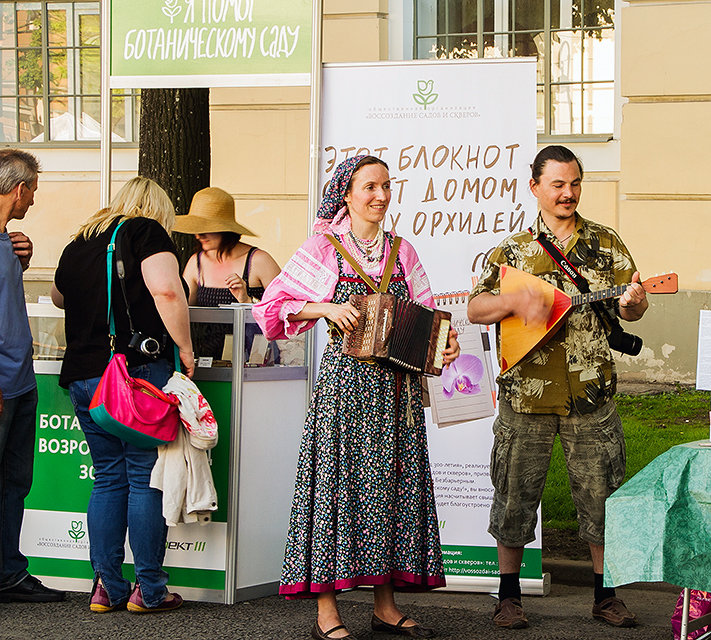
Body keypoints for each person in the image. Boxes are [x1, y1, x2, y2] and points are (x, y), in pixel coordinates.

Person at [253, 155, 460, 640]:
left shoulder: (402, 251)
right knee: (335, 492)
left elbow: (428, 315)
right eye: (370, 187)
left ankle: (385, 606)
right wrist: (326, 306)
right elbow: (271, 309)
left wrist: (445, 342)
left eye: (386, 186)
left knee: (391, 493)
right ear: (346, 194)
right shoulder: (323, 247)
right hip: (345, 390)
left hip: (396, 392)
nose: (381, 196)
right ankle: (327, 611)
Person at [467, 145, 648, 630]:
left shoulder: (606, 243)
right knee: (513, 495)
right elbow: (475, 309)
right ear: (535, 188)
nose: (568, 193)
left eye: (574, 183)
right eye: (557, 184)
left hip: (590, 395)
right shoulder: (512, 251)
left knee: (602, 497)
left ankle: (605, 596)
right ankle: (508, 597)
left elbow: (631, 310)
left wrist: (633, 304)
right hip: (526, 394)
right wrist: (515, 299)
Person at [50, 177, 195, 614]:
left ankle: (105, 587)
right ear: (157, 209)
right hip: (135, 374)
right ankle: (148, 589)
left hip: (83, 376)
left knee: (107, 477)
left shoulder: (81, 239)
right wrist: (186, 350)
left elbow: (58, 295)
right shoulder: (144, 231)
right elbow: (167, 291)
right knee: (144, 478)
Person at [0, 149, 65, 604]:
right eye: (34, 193)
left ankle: (7, 573)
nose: (34, 202)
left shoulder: (9, 241)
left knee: (14, 483)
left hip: (20, 381)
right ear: (19, 189)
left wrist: (20, 259)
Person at [174, 186, 280, 360]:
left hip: (252, 360)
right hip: (206, 360)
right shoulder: (196, 262)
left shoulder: (258, 260)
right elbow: (181, 308)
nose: (199, 235)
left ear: (224, 229)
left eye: (206, 228)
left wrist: (246, 300)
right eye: (196, 228)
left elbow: (284, 307)